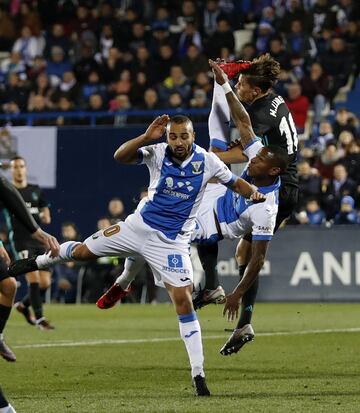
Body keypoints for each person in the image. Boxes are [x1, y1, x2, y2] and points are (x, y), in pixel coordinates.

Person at [8, 115, 263, 396]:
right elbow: (120, 156)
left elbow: (234, 182)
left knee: (183, 300)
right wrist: (145, 137)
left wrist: (253, 193)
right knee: (80, 252)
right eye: (173, 136)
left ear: (193, 136)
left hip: (171, 243)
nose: (178, 142)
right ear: (167, 137)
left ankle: (198, 374)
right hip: (137, 228)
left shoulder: (207, 161)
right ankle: (36, 263)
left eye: (184, 136)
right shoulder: (157, 153)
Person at [103, 60, 288, 356]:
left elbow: (258, 259)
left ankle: (130, 281)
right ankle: (197, 285)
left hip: (219, 222)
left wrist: (237, 293)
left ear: (273, 170)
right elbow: (242, 123)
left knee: (152, 232)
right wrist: (223, 83)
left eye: (258, 160)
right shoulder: (259, 154)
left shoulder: (265, 207)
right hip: (219, 198)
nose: (252, 159)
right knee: (214, 139)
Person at [193, 54, 299, 353]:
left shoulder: (262, 112)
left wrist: (205, 161)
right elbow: (240, 125)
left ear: (256, 90)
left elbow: (245, 153)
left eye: (242, 84)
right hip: (284, 184)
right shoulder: (271, 100)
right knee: (243, 249)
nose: (239, 88)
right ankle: (243, 320)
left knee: (240, 244)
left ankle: (231, 302)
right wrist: (225, 82)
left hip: (274, 188)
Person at [0, 176, 59, 412]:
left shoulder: (34, 190)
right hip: (21, 241)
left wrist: (37, 230)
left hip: (30, 239)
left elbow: (3, 188)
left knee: (9, 286)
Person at [7, 156, 54, 330]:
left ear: (26, 169)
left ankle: (23, 305)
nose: (19, 170)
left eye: (21, 166)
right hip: (20, 240)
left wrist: (45, 215)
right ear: (10, 171)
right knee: (33, 279)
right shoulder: (8, 191)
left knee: (45, 283)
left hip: (38, 241)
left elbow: (45, 211)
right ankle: (40, 319)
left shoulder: (35, 190)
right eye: (15, 167)